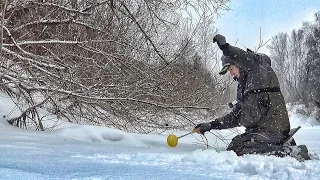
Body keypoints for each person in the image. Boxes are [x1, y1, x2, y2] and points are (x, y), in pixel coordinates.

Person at [194, 34, 310, 161]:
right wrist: (211, 125)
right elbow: (235, 117)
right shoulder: (245, 88)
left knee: (239, 150)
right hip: (260, 131)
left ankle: (291, 153)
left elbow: (246, 58)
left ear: (240, 64)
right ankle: (280, 145)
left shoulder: (258, 70)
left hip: (272, 129)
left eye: (231, 68)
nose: (231, 74)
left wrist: (226, 48)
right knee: (235, 144)